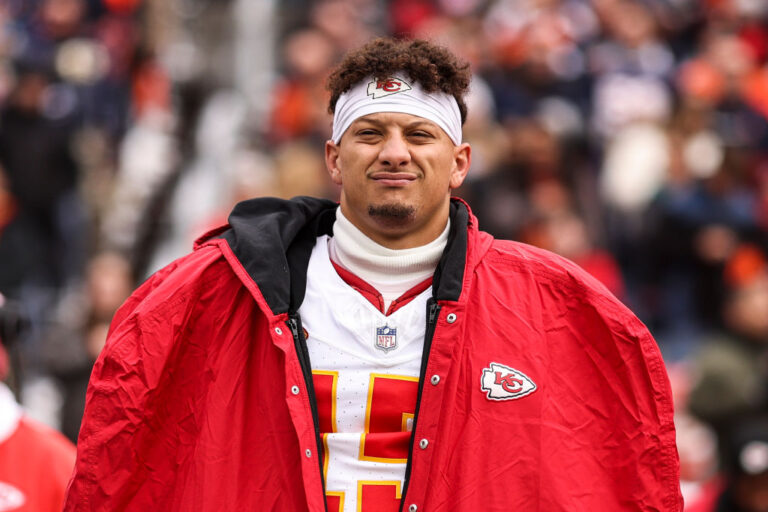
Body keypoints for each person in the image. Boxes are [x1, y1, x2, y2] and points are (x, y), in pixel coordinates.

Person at [65, 38, 682, 511]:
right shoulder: (207, 292)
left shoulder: (557, 307)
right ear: (334, 158)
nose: (394, 152)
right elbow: (118, 471)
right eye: (369, 133)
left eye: (419, 134)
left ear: (460, 162)